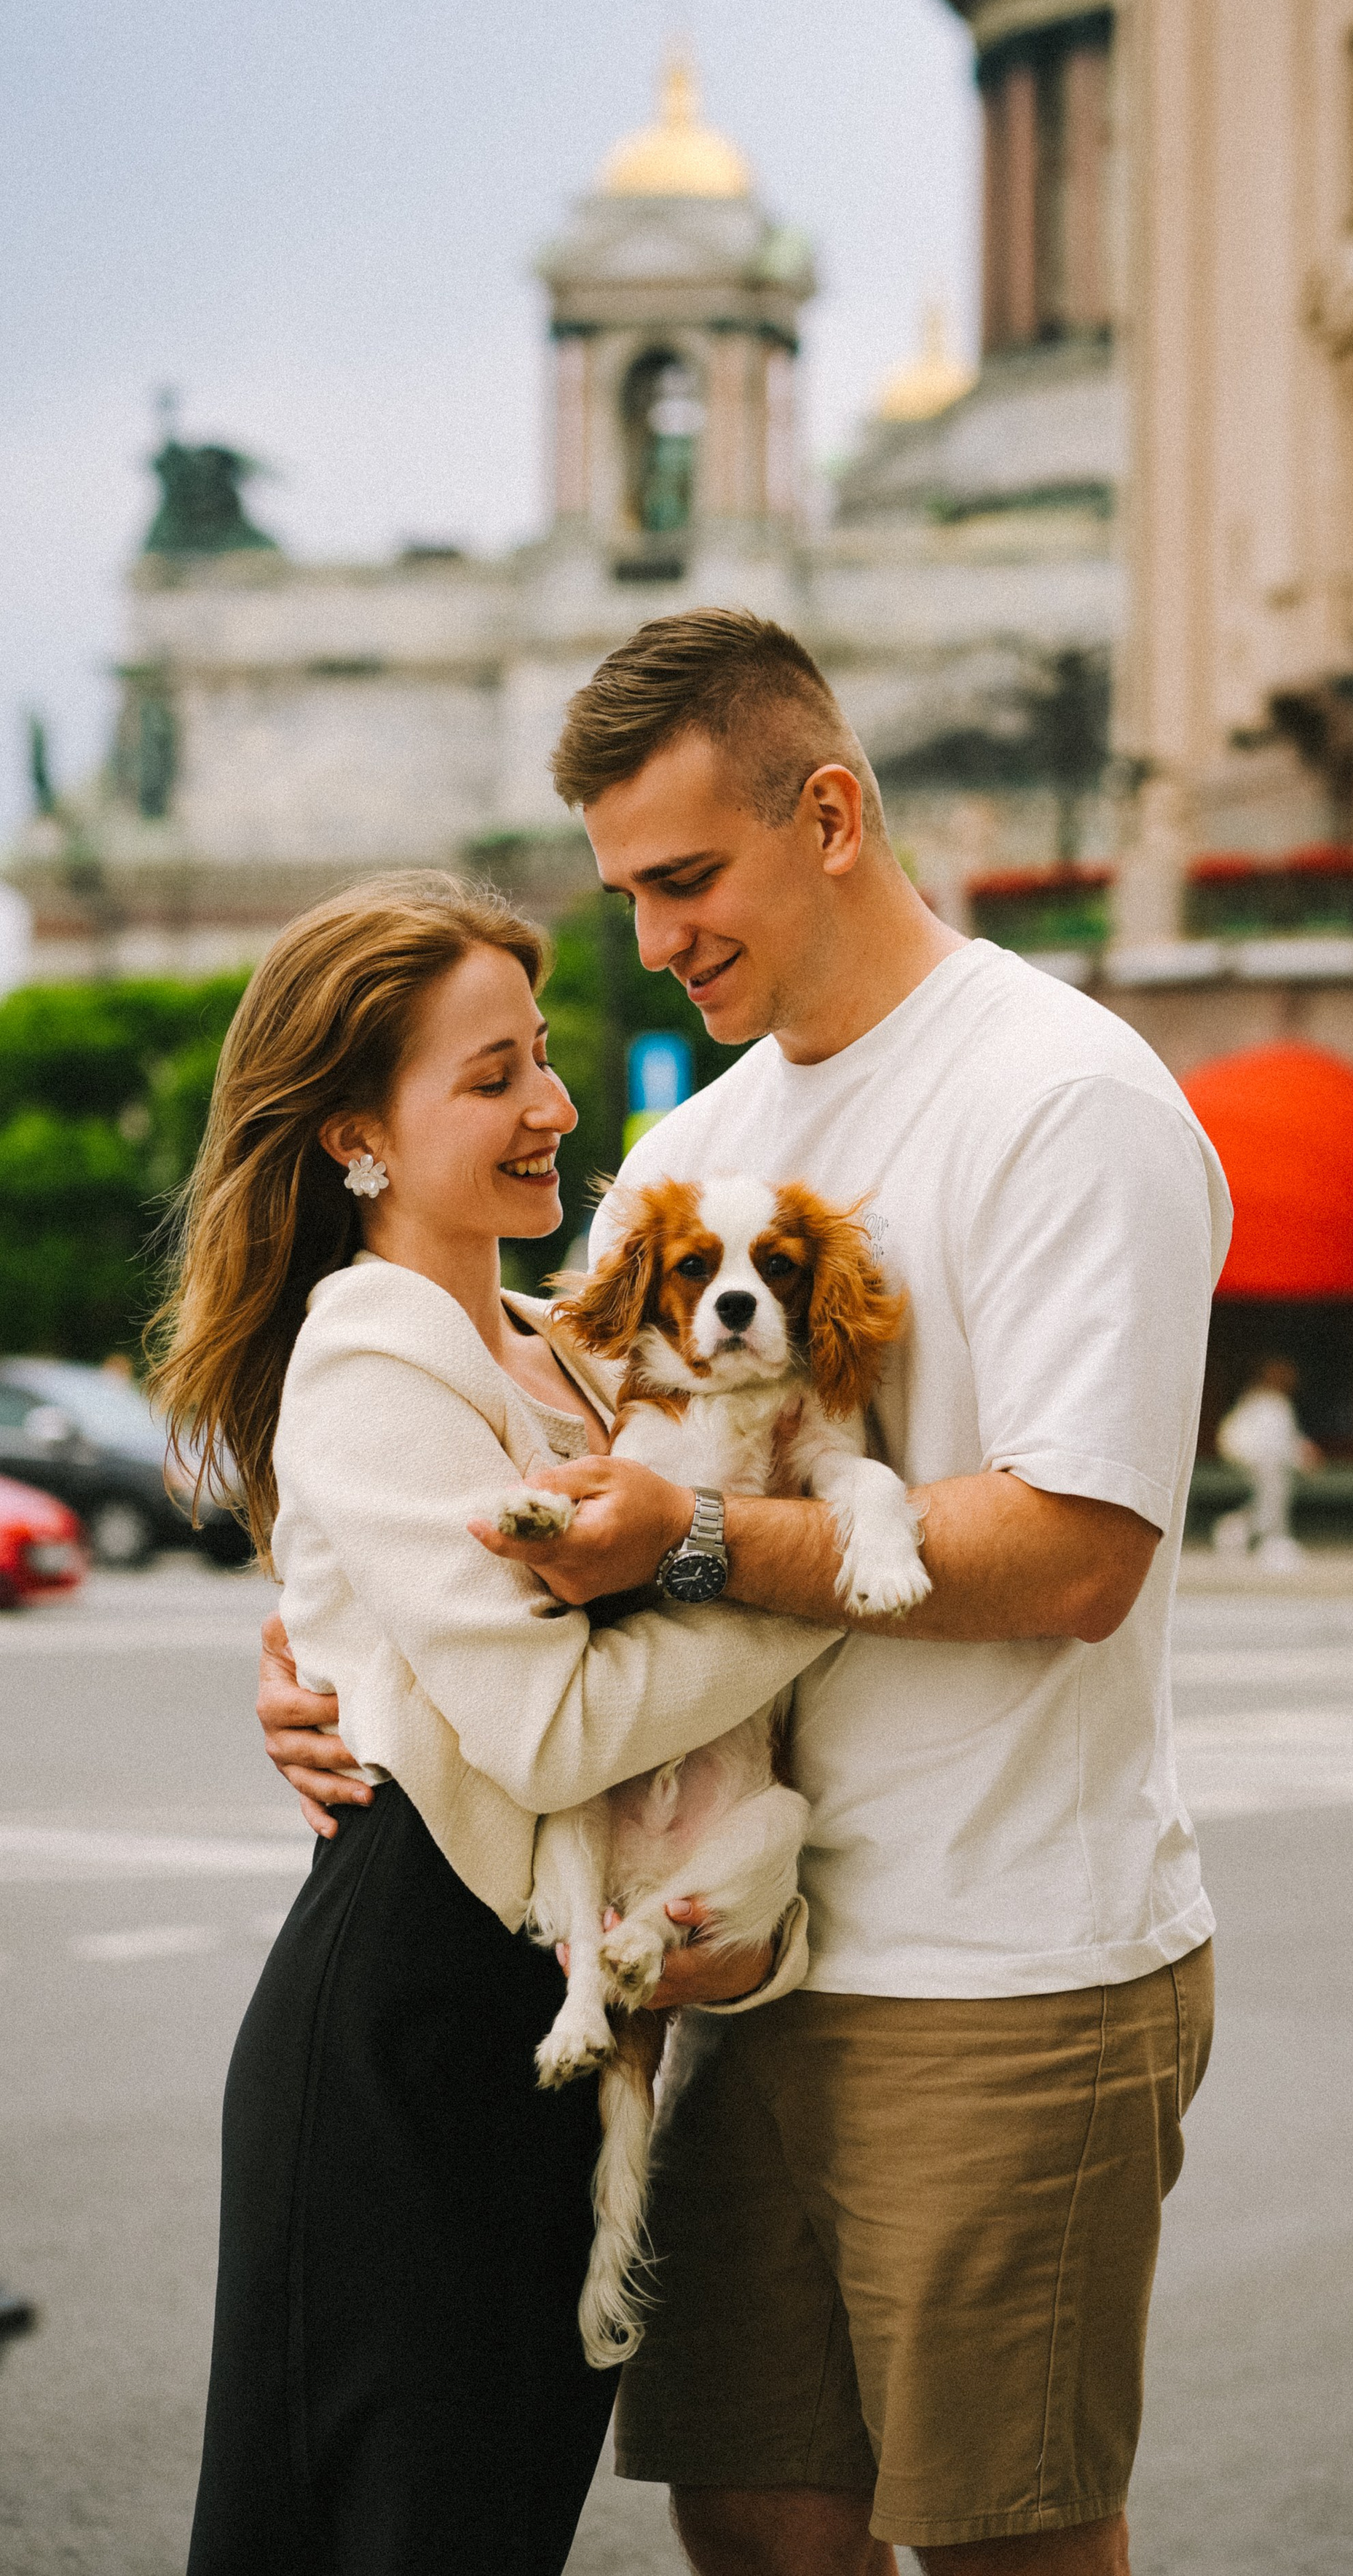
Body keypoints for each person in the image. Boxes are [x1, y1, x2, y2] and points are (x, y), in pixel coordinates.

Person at [261, 609, 1230, 2576]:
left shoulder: (1064, 1097)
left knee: (1008, 2541)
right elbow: (549, 1524)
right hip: (728, 1977)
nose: (656, 937)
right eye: (626, 893)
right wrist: (338, 1675)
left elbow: (1076, 1556)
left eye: (688, 879)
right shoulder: (684, 1155)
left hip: (1003, 1964)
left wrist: (701, 1546)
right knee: (758, 2532)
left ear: (835, 813)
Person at [156, 873, 832, 2576]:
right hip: (400, 2043)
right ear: (351, 1136)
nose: (549, 1107)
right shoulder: (368, 1359)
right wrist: (805, 1583)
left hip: (542, 2046)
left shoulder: (563, 1346)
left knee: (487, 2523)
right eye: (487, 1077)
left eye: (538, 1057)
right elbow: (545, 1731)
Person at [1213, 1359, 1320, 1570]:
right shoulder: (1261, 1402)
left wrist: (1303, 1454)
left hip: (1267, 1464)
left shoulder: (1277, 1403)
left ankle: (1240, 1531)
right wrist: (1299, 1456)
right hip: (1249, 1463)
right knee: (1274, 1482)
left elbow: (1286, 1441)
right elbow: (1240, 1440)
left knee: (1276, 1482)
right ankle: (1271, 1541)